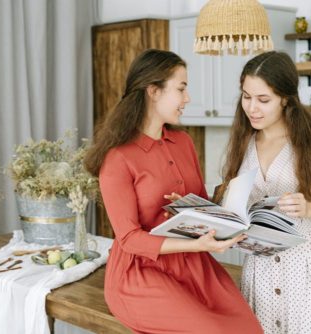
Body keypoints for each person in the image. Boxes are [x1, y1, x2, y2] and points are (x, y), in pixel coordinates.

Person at [84, 49, 263, 334]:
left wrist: (213, 202)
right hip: (142, 274)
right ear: (153, 91)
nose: (187, 98)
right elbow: (129, 239)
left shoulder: (183, 142)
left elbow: (202, 206)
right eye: (181, 88)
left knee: (248, 329)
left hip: (194, 264)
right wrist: (198, 245)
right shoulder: (118, 157)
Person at [212, 51, 311, 334]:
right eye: (246, 96)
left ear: (286, 98)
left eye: (263, 99)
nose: (252, 108)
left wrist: (309, 208)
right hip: (261, 273)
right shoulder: (242, 145)